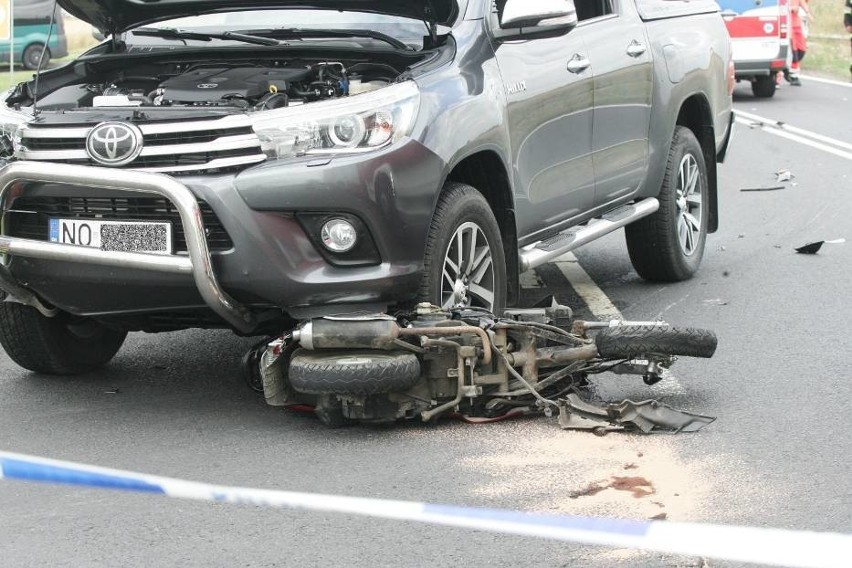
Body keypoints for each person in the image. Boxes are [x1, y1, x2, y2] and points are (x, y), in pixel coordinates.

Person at [787, 0, 815, 85]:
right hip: (787, 24)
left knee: (802, 50)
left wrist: (808, 13)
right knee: (793, 51)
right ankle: (792, 76)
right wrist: (790, 8)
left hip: (797, 24)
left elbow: (802, 2)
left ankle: (789, 70)